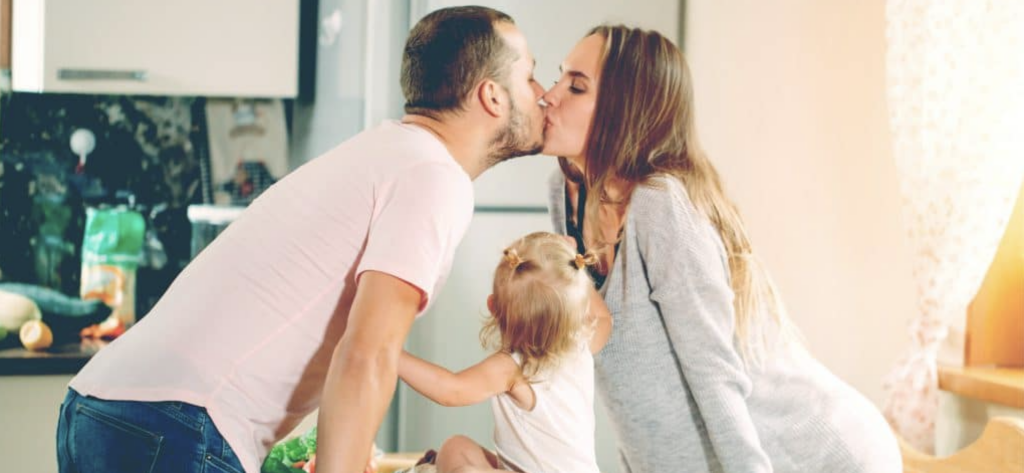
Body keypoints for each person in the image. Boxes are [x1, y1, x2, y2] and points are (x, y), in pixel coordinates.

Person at [55, 7, 546, 473]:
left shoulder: (388, 153)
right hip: (176, 422)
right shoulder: (434, 177)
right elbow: (367, 355)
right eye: (529, 77)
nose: (543, 93)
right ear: (492, 96)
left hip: (106, 408)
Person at [541, 25, 902, 473]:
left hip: (814, 453)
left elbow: (713, 370)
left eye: (576, 86)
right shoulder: (567, 195)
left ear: (626, 108)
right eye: (559, 78)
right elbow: (629, 382)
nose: (549, 96)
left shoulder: (659, 203)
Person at [398, 231, 611, 473]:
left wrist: (391, 353)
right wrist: (574, 264)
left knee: (462, 466)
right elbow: (603, 318)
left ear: (493, 307)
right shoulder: (581, 345)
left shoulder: (514, 368)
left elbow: (450, 390)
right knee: (456, 448)